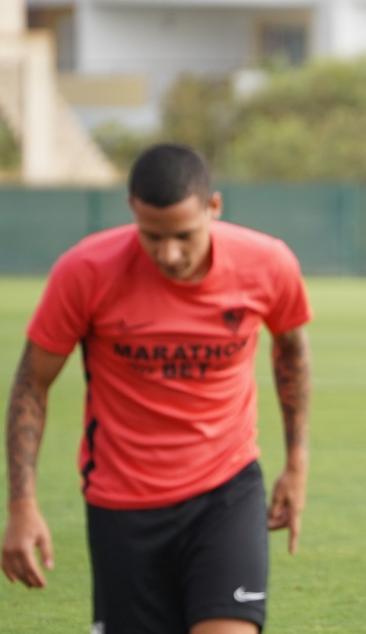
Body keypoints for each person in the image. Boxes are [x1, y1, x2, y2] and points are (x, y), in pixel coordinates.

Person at [2, 143, 312, 634]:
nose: (169, 254)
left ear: (214, 207)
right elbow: (31, 383)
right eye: (152, 237)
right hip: (122, 504)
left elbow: (291, 350)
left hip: (225, 492)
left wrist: (296, 463)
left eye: (184, 236)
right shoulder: (85, 271)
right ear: (132, 211)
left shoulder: (267, 264)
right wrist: (21, 505)